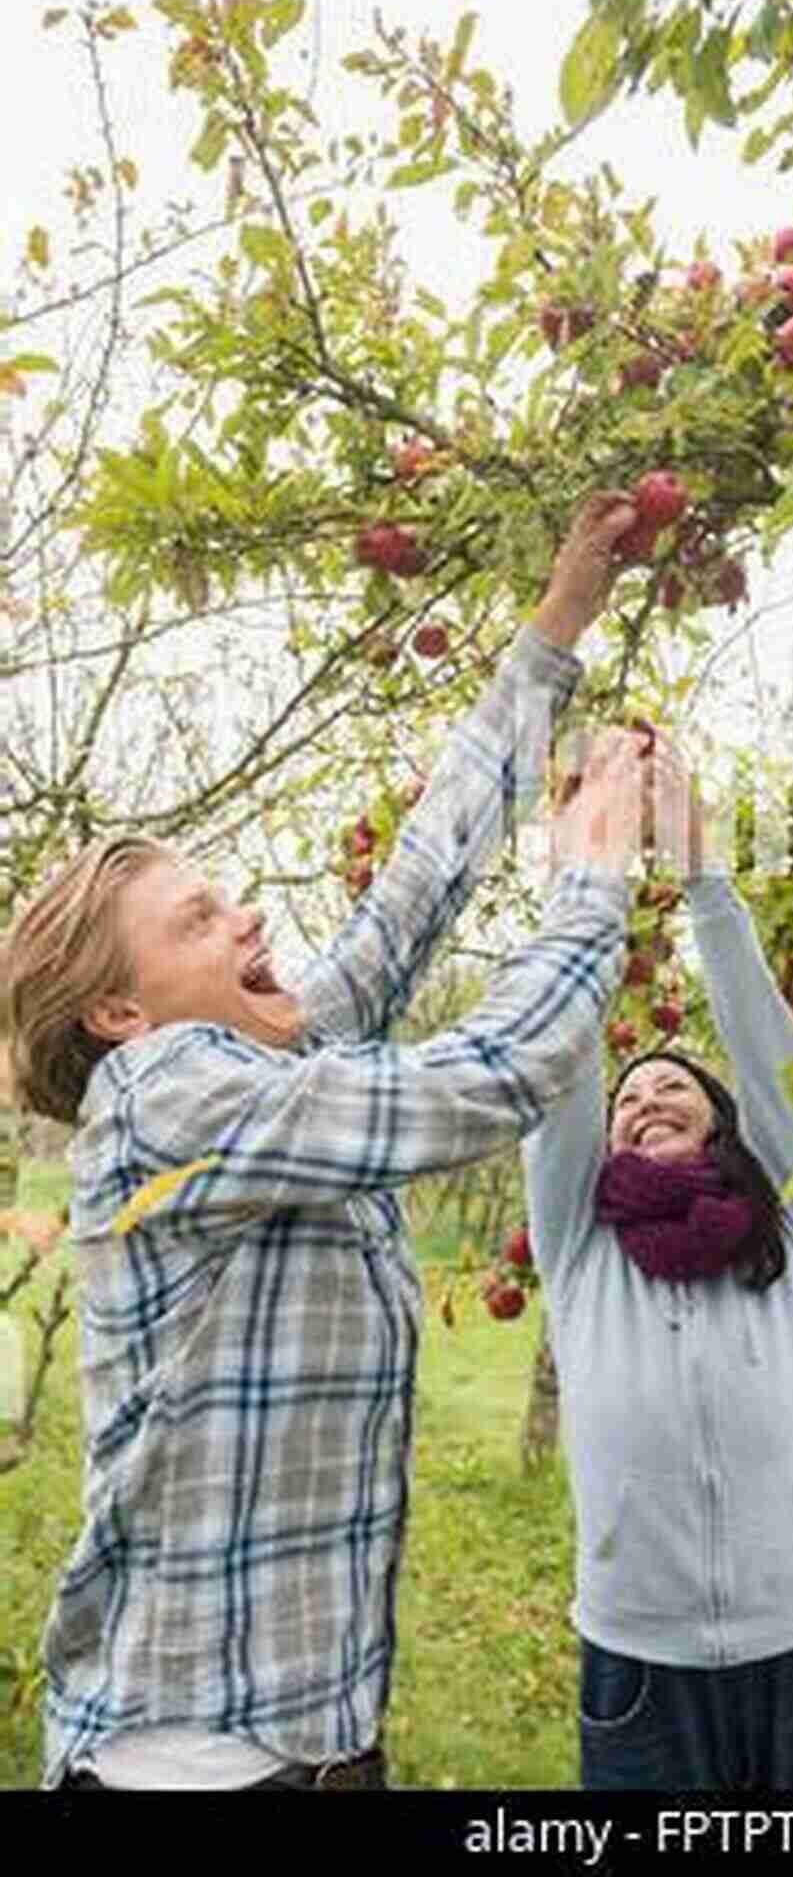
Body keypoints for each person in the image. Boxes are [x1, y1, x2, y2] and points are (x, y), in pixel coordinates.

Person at [0, 490, 646, 1792]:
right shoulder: (166, 1092)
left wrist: (560, 622)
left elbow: (407, 903)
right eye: (197, 920)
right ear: (121, 1010)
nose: (244, 919)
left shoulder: (256, 1066)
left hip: (311, 1741)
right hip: (191, 1768)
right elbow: (495, 1073)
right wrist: (592, 875)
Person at [522, 739, 793, 1793]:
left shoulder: (786, 1216)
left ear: (728, 1121)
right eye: (626, 1096)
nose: (643, 1096)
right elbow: (561, 1058)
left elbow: (779, 1062)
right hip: (642, 1661)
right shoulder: (580, 1243)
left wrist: (703, 871)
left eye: (673, 1084)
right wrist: (584, 873)